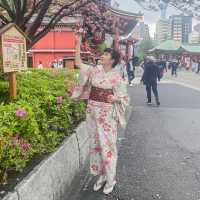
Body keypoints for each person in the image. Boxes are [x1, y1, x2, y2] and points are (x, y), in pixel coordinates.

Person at [70, 34, 129, 195]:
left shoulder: (117, 77)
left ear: (113, 60)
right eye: (103, 54)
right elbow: (77, 63)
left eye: (106, 54)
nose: (102, 56)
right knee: (95, 144)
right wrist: (77, 43)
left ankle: (111, 179)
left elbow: (125, 98)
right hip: (92, 112)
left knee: (108, 145)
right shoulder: (94, 71)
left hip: (107, 114)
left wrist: (115, 97)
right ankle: (102, 175)